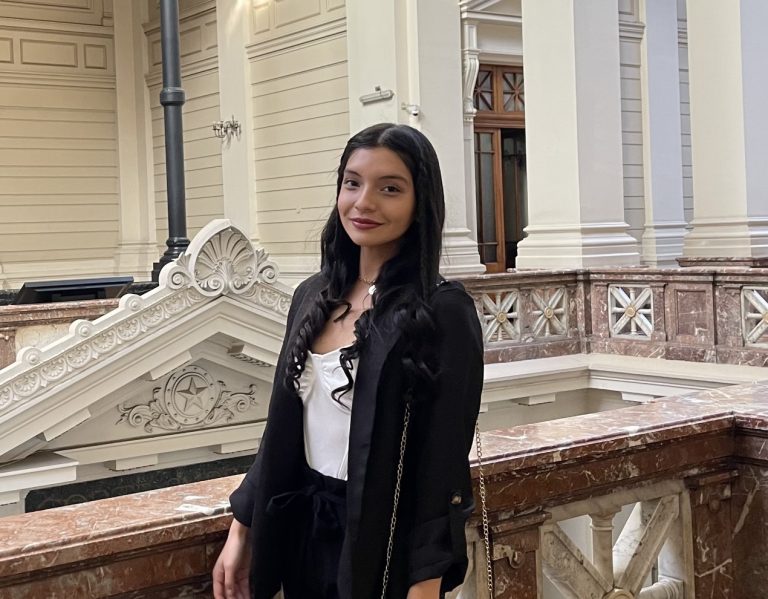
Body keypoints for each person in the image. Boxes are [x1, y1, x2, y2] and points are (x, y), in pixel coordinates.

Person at [212, 123, 484, 599]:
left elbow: (441, 464)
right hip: (302, 531)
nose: (364, 203)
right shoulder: (313, 295)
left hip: (378, 543)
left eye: (390, 189)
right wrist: (242, 528)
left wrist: (425, 584)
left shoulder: (441, 311)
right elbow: (282, 429)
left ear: (421, 202)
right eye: (352, 183)